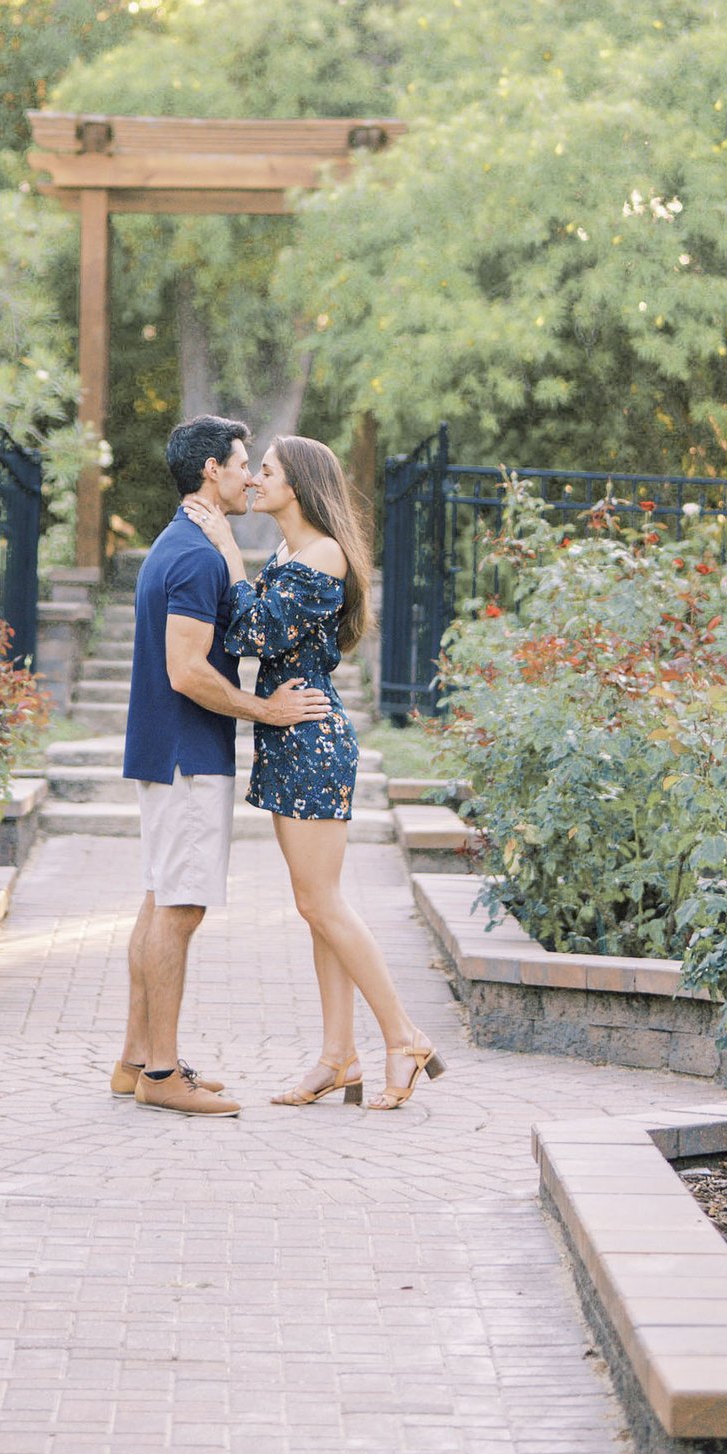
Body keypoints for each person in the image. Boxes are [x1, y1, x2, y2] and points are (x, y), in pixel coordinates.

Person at [182, 434, 449, 1111]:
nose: (254, 481)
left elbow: (253, 634)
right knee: (317, 908)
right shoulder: (289, 552)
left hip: (311, 735)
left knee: (320, 902)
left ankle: (405, 1035)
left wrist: (225, 551)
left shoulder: (323, 552)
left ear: (296, 482)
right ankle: (338, 1057)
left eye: (264, 470)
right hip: (287, 732)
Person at [116, 413, 332, 1116]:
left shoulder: (187, 543)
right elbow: (187, 670)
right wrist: (266, 709)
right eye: (244, 463)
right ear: (213, 468)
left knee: (160, 902)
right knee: (178, 910)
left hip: (170, 750)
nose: (249, 476)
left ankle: (136, 1060)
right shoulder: (197, 554)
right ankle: (160, 1075)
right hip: (187, 754)